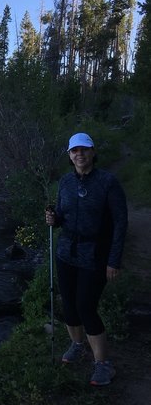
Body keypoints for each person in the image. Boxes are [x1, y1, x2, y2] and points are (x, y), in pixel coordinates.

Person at [45, 132, 128, 386]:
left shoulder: (108, 182)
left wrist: (114, 260)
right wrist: (54, 219)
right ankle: (77, 344)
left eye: (84, 149)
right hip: (66, 252)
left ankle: (103, 365)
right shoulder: (65, 183)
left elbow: (120, 223)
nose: (79, 154)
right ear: (70, 156)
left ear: (92, 152)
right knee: (69, 305)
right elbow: (61, 215)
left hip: (95, 255)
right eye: (74, 151)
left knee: (85, 307)